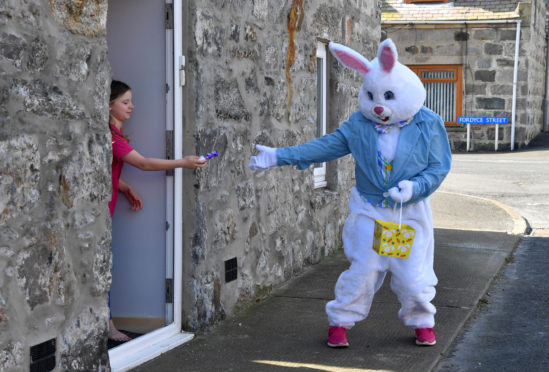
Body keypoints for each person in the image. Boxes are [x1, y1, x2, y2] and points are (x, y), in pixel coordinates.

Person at [249, 39, 451, 348]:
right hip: (369, 208)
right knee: (365, 269)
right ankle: (341, 321)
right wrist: (279, 155)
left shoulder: (429, 124)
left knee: (412, 276)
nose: (379, 106)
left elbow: (438, 167)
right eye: (371, 96)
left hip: (408, 213)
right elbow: (326, 145)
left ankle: (422, 321)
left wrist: (415, 187)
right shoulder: (360, 124)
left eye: (388, 96)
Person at [107, 80, 206, 342]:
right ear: (108, 106)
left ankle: (108, 324)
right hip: (102, 212)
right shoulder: (111, 137)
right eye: (125, 102)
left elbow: (104, 171)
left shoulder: (114, 135)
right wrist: (183, 162)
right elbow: (143, 163)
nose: (132, 106)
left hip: (109, 206)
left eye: (131, 101)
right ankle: (109, 328)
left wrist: (123, 186)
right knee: (104, 268)